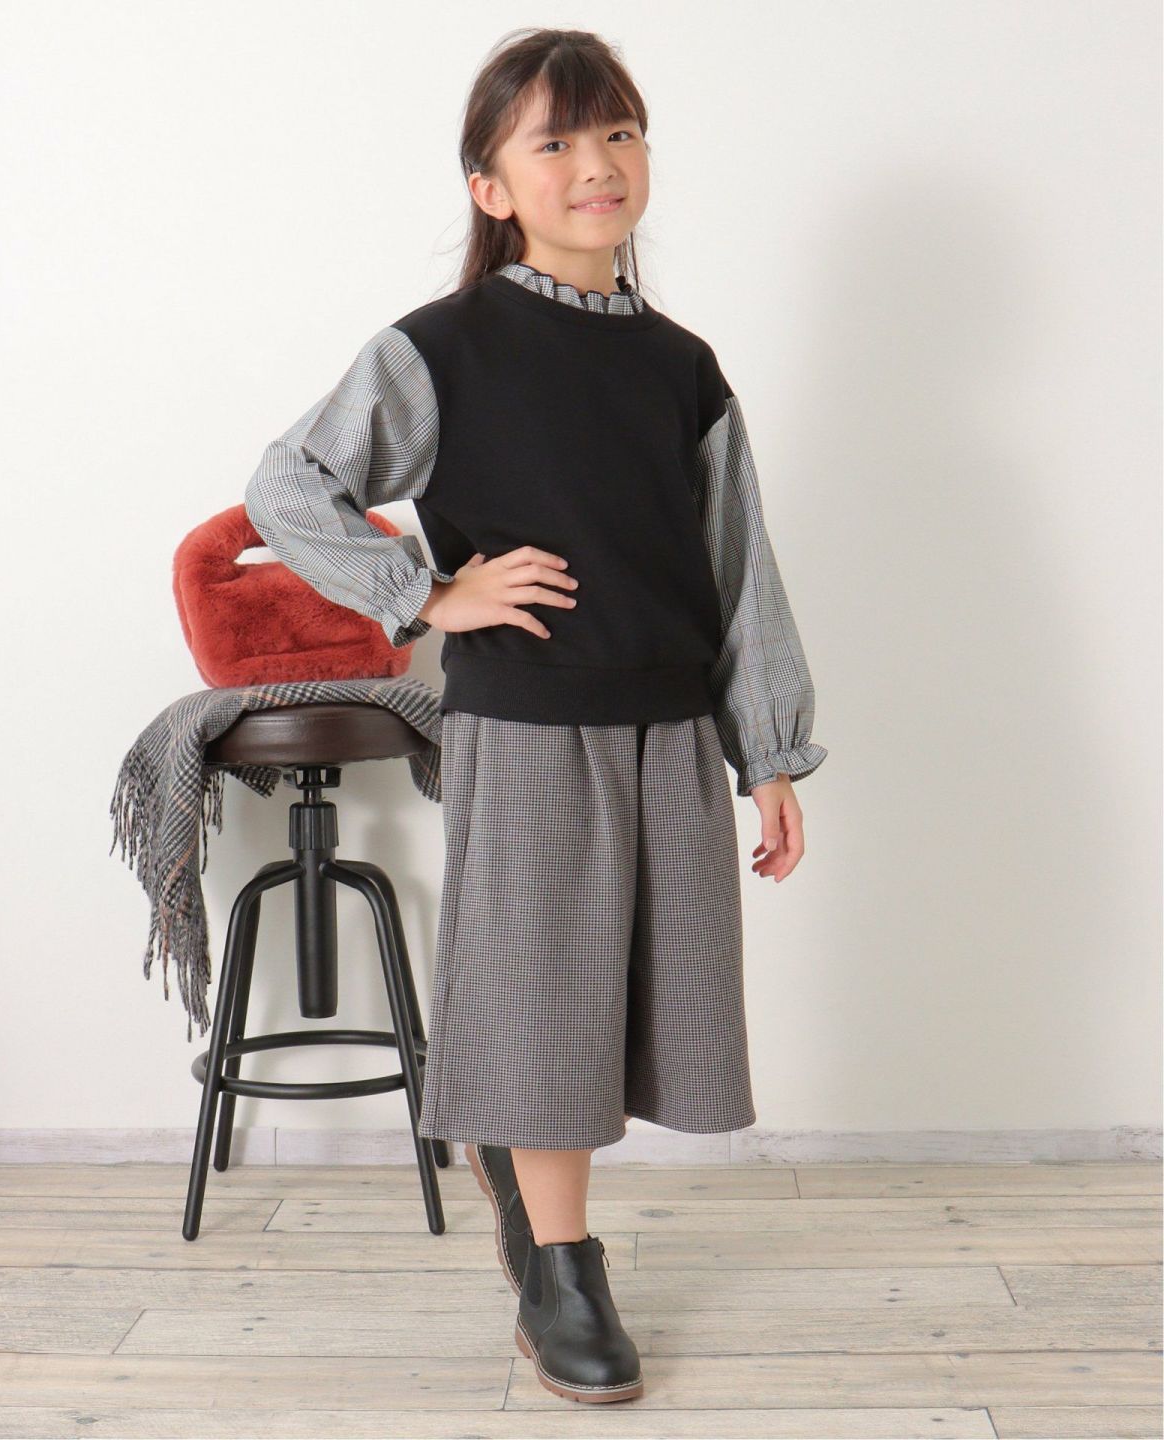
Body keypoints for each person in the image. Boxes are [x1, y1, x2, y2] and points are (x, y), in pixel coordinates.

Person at [245, 25, 827, 1407]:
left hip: (669, 730)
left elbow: (738, 567)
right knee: (548, 1010)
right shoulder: (444, 351)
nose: (596, 164)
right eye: (554, 141)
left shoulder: (684, 368)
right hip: (526, 730)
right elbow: (289, 484)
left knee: (655, 1007)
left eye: (617, 132)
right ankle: (562, 1269)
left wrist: (769, 753)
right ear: (491, 185)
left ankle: (520, 1184)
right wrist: (427, 592)